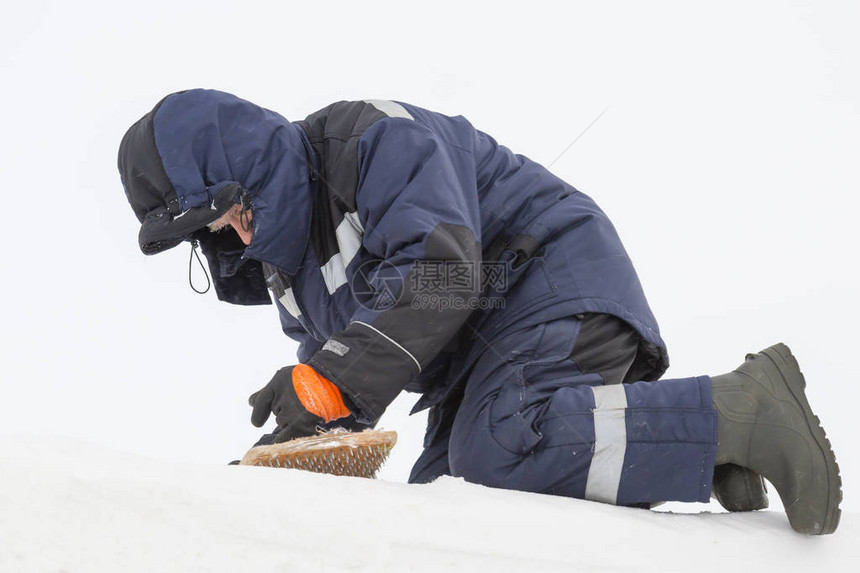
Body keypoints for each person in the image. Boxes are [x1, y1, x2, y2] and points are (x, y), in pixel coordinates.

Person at [118, 89, 841, 534]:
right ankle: (698, 448)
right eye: (212, 235)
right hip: (482, 356)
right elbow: (356, 373)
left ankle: (742, 411)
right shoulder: (292, 280)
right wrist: (299, 434)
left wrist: (328, 380)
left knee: (500, 449)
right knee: (452, 516)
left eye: (228, 212)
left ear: (249, 170)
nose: (232, 238)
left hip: (543, 274)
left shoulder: (370, 141)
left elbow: (445, 272)